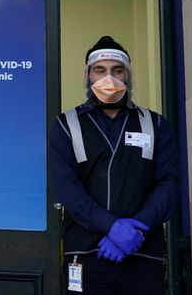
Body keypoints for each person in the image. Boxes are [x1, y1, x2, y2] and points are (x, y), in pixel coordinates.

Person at [48, 35, 179, 294]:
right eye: (100, 70)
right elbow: (68, 190)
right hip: (86, 254)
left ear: (128, 75)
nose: (109, 78)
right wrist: (111, 227)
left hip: (143, 253)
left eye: (117, 70)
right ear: (88, 75)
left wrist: (135, 231)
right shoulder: (66, 125)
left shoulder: (155, 124)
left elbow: (169, 186)